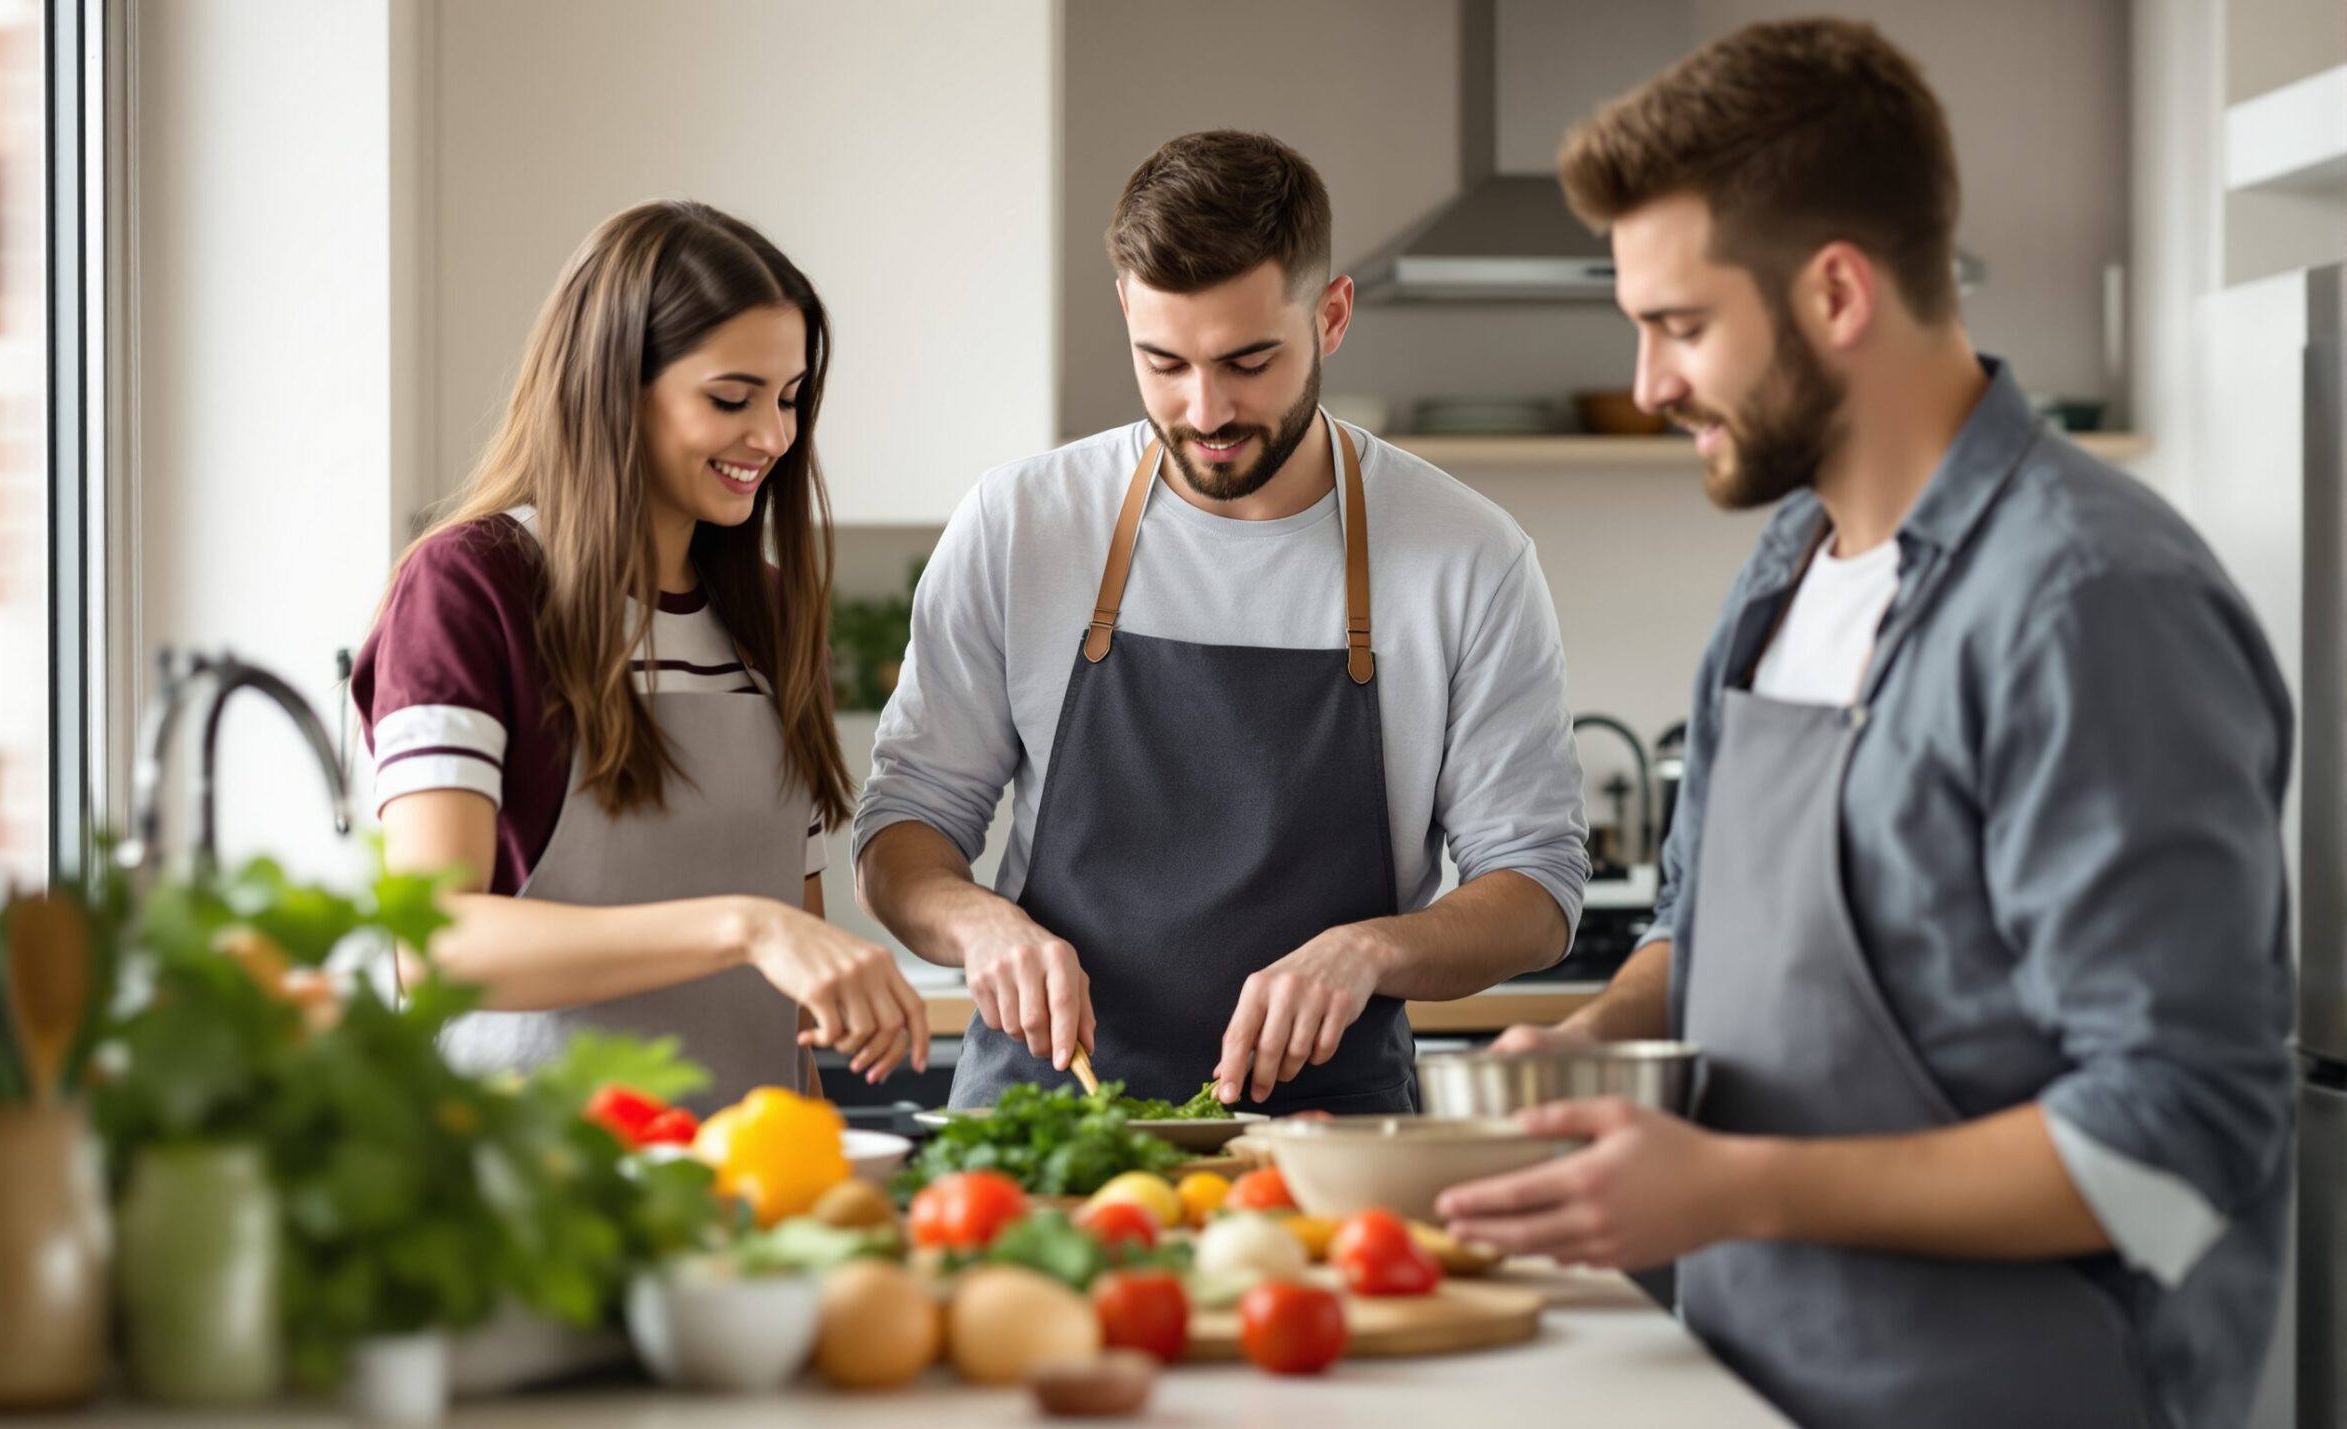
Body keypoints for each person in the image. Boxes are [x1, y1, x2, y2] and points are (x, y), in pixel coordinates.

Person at [1443, 22, 2294, 1429]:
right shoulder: (1786, 571)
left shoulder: (2088, 604)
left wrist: (1728, 1184)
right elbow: (1699, 931)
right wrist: (1593, 1034)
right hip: (1756, 1377)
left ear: (1836, 291)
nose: (1651, 384)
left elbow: (2175, 1135)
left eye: (1681, 324)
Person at [855, 131, 1589, 1114]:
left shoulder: (1467, 555)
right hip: (1046, 1132)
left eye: (1248, 361)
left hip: (1330, 1147)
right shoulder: (1020, 523)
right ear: (1124, 309)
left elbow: (1536, 891)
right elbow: (902, 835)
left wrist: (1370, 949)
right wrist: (981, 925)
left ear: (1330, 318)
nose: (1204, 410)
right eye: (1162, 362)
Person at [355, 200, 929, 1106]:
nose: (774, 437)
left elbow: (795, 982)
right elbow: (434, 949)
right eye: (731, 398)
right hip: (532, 1183)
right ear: (613, 386)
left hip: (752, 1179)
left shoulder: (775, 615)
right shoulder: (474, 587)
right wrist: (742, 927)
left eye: (789, 399)